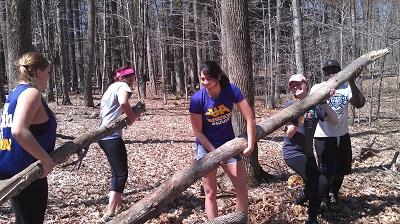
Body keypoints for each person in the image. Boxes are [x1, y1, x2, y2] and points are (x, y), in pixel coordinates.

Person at [189, 61, 256, 219]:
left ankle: (240, 220)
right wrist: (215, 155)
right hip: (206, 148)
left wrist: (251, 144)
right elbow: (198, 132)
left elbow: (250, 117)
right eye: (202, 79)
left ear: (218, 77)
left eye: (209, 79)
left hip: (229, 145)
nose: (205, 83)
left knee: (241, 188)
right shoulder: (197, 99)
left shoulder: (231, 90)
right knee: (210, 192)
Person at [0, 52, 56, 224]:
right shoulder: (32, 93)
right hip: (27, 173)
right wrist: (46, 160)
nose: (49, 76)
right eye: (47, 72)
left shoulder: (15, 93)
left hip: (11, 168)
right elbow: (18, 131)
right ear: (38, 72)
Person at [283, 73, 338, 224]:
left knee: (311, 184)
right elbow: (288, 133)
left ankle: (298, 202)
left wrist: (325, 102)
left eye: (298, 83)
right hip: (292, 152)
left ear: (306, 84)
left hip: (307, 153)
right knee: (320, 182)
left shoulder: (316, 105)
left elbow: (334, 121)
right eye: (292, 85)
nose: (295, 87)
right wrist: (299, 118)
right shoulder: (289, 106)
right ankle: (312, 218)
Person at [311, 59, 366, 204]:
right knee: (326, 171)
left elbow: (360, 103)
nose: (331, 73)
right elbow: (316, 109)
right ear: (324, 74)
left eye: (334, 70)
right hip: (323, 136)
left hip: (342, 135)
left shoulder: (346, 87)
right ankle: (323, 197)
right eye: (327, 71)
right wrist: (324, 97)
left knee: (341, 169)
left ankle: (334, 193)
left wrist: (352, 81)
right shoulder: (318, 87)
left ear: (340, 72)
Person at [98, 66, 138, 222]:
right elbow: (123, 102)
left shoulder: (111, 87)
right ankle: (109, 213)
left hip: (103, 136)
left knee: (117, 172)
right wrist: (132, 117)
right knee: (121, 174)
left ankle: (119, 206)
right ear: (122, 78)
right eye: (130, 78)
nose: (132, 81)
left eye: (132, 78)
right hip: (111, 137)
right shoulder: (122, 86)